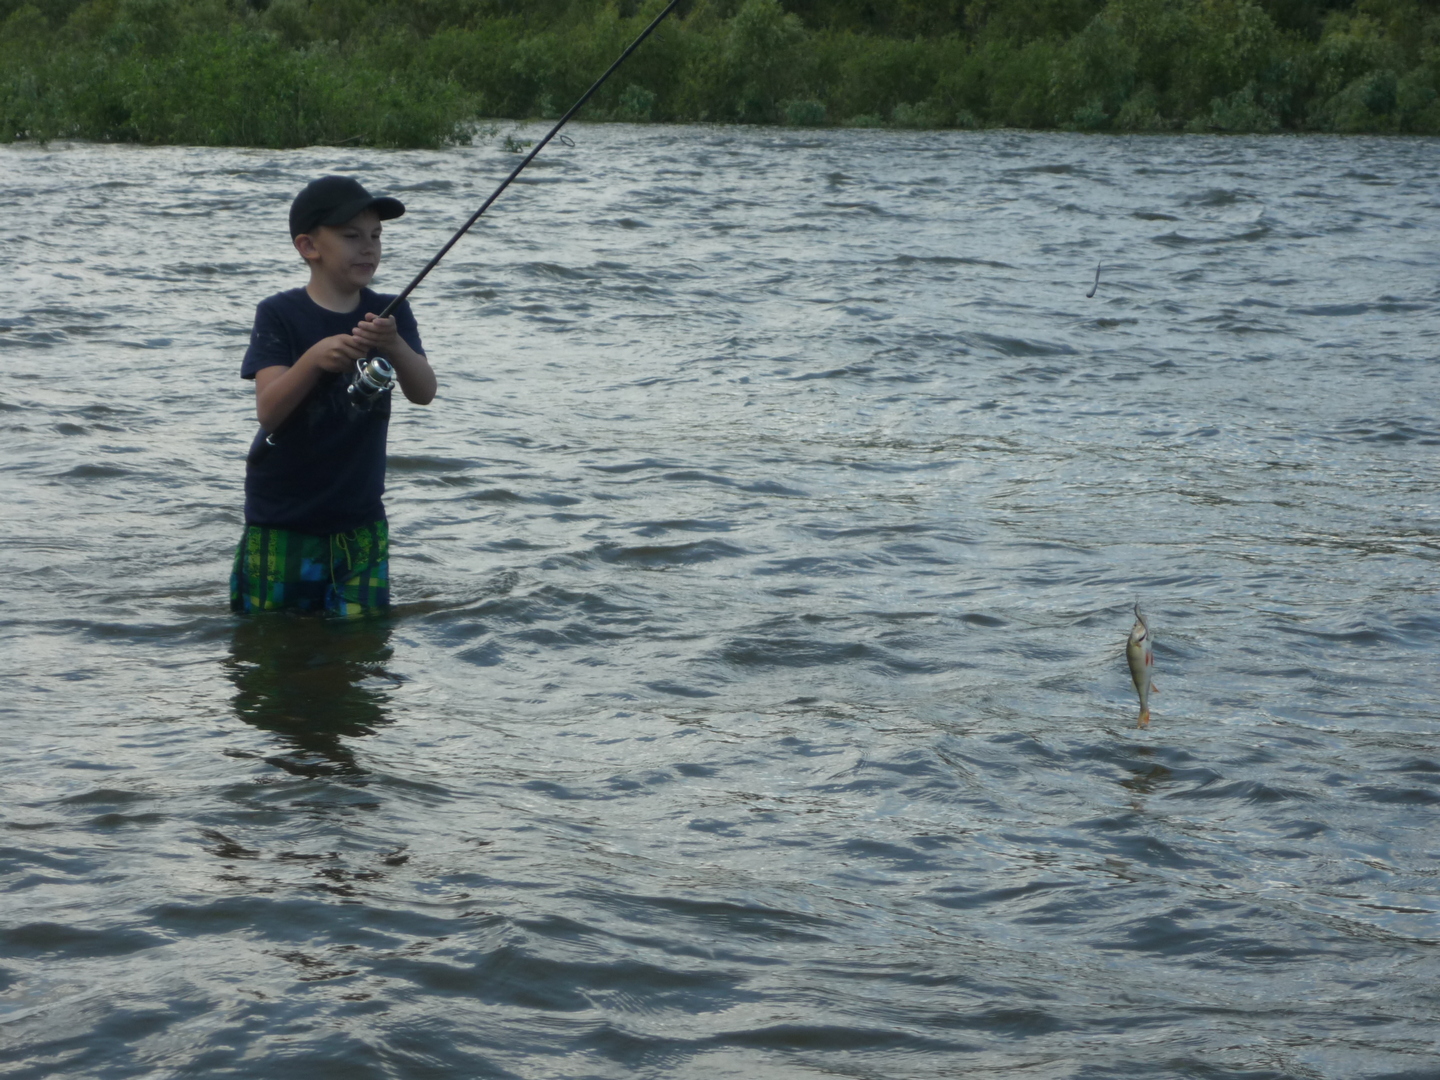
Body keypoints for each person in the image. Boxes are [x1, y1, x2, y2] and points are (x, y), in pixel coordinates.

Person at [230, 175, 437, 617]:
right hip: (282, 516)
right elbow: (269, 412)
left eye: (376, 236)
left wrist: (395, 344)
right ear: (309, 246)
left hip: (361, 516)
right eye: (351, 236)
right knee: (270, 637)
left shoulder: (392, 312)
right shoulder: (279, 313)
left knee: (363, 641)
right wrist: (314, 359)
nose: (368, 248)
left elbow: (424, 392)